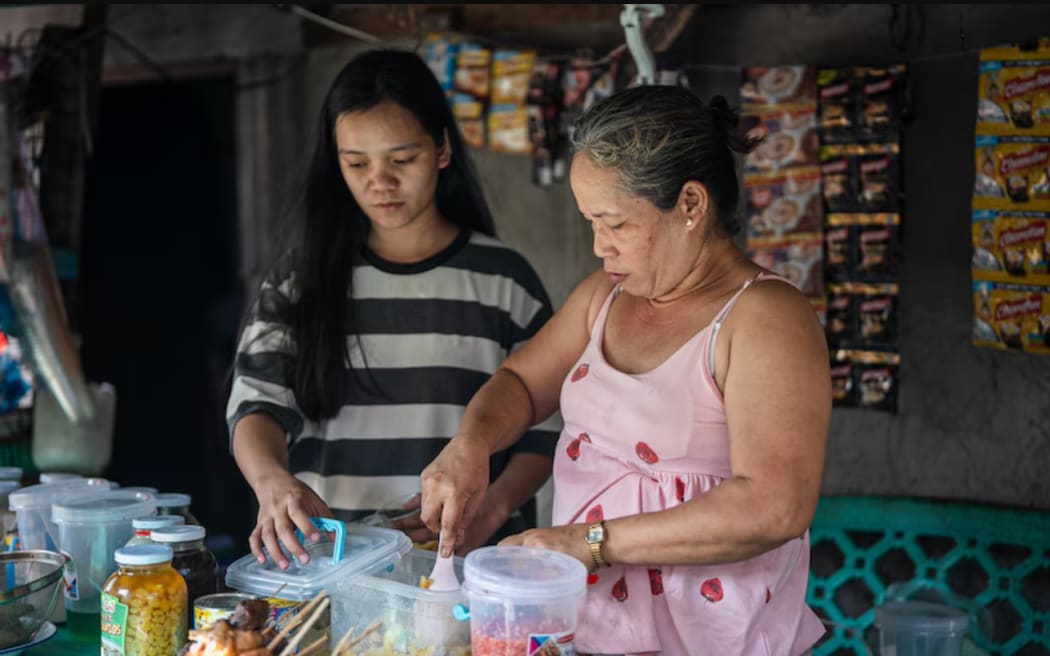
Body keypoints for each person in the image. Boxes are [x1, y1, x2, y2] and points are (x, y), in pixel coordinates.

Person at [421, 85, 830, 655]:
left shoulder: (765, 319)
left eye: (613, 224)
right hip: (588, 633)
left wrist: (590, 544)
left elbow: (775, 506)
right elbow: (520, 382)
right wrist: (472, 442)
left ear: (690, 204)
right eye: (591, 222)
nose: (598, 247)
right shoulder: (603, 298)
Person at [227, 48, 559, 570]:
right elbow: (255, 404)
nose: (379, 182)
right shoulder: (299, 280)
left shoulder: (504, 281)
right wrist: (272, 482)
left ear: (443, 149)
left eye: (402, 160)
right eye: (356, 163)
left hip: (464, 567)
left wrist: (490, 511)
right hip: (331, 563)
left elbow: (547, 428)